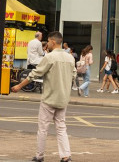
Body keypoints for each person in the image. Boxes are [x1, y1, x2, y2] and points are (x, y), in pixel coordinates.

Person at [12, 31, 74, 162]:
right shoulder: (70, 58)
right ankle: (66, 156)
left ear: (52, 41)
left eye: (48, 42)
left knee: (43, 129)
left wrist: (19, 86)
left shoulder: (49, 57)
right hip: (63, 99)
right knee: (61, 127)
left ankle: (39, 156)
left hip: (49, 98)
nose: (46, 45)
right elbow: (73, 76)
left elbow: (34, 74)